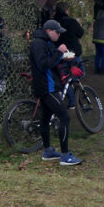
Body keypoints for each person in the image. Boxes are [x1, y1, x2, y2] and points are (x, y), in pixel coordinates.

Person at [28, 20, 81, 166]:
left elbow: (50, 60)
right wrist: (59, 52)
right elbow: (43, 64)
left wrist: (61, 56)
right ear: (49, 31)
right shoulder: (39, 43)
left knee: (45, 118)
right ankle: (65, 156)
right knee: (64, 116)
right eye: (57, 32)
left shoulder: (44, 42)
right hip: (47, 88)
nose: (59, 34)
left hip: (46, 86)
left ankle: (48, 151)